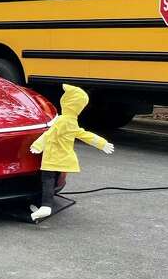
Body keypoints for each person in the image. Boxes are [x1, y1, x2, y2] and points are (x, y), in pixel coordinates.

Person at [29, 84, 114, 221]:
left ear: (67, 102)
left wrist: (38, 145)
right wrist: (101, 143)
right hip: (64, 156)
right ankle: (46, 204)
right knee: (55, 178)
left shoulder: (62, 120)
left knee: (47, 180)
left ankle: (46, 206)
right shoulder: (72, 121)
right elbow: (84, 135)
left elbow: (50, 134)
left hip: (53, 156)